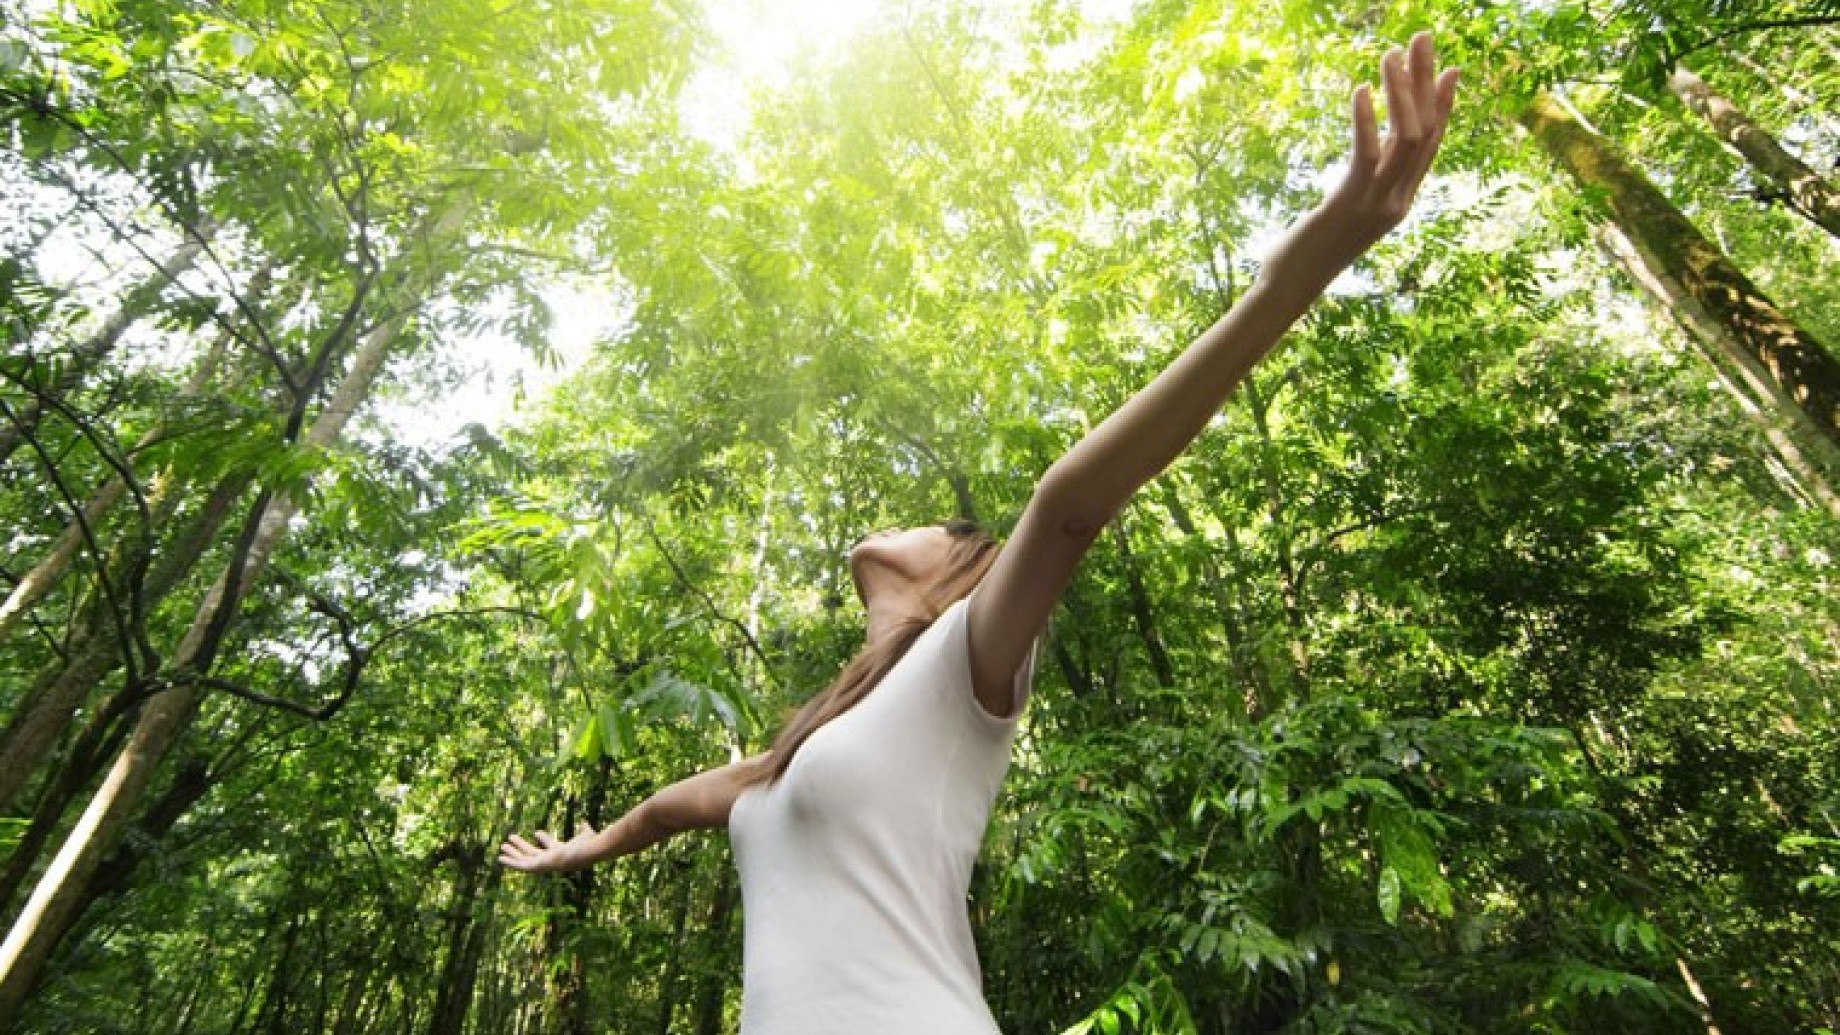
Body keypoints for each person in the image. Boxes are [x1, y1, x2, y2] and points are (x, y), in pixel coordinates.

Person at [500, 32, 1459, 1035]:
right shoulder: (785, 762)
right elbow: (665, 807)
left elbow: (1068, 507)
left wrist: (1294, 275)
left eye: (940, 523)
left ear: (961, 575)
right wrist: (581, 851)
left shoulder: (965, 667)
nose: (903, 519)